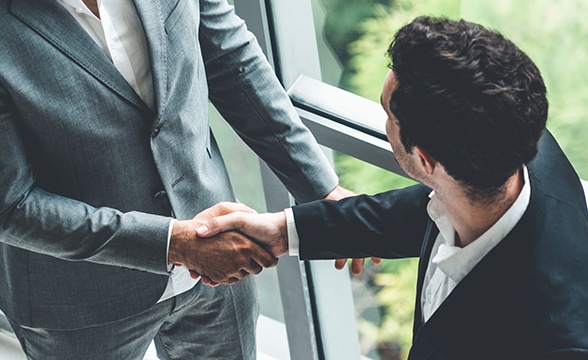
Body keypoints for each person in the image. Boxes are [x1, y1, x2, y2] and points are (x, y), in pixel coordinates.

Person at [197, 16, 588, 359]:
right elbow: (428, 208)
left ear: (426, 160)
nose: (382, 120)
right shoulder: (511, 143)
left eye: (386, 112)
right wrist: (284, 232)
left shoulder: (555, 340)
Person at [0, 0, 358, 359]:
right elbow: (10, 205)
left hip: (217, 261)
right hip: (79, 297)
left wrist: (320, 187)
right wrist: (175, 244)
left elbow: (229, 58)